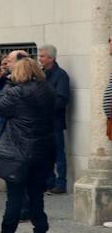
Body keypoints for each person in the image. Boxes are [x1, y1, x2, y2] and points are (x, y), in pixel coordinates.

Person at [0, 58, 55, 233]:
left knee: (15, 199)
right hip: (41, 152)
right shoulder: (48, 91)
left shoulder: (16, 92)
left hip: (18, 154)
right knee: (36, 197)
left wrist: (8, 83)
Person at [38, 45, 70, 194]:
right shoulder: (41, 74)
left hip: (55, 122)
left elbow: (61, 99)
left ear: (51, 58)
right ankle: (49, 182)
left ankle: (61, 183)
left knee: (58, 153)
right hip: (43, 122)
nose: (40, 58)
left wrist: (43, 108)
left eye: (43, 56)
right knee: (45, 154)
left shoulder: (61, 75)